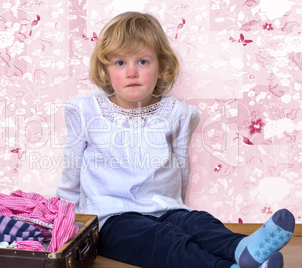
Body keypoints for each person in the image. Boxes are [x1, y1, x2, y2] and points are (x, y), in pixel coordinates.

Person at [56, 11, 295, 268]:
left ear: (161, 68)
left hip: (165, 207)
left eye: (143, 62)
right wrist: (64, 218)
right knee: (166, 239)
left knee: (199, 223)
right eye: (120, 63)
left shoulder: (176, 113)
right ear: (104, 71)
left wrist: (177, 208)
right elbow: (73, 164)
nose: (132, 72)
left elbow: (181, 163)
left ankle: (242, 248)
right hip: (112, 218)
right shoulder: (86, 111)